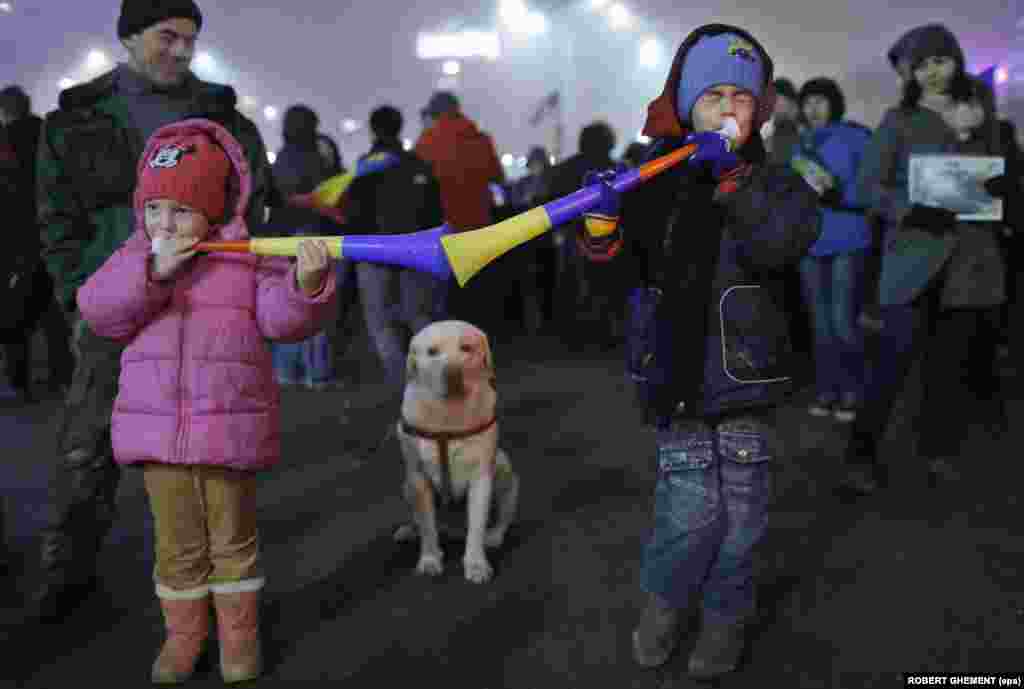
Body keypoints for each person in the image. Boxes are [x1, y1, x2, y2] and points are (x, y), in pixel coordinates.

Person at [577, 24, 820, 677]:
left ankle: (725, 619)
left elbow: (783, 240)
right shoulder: (652, 178)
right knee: (688, 514)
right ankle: (664, 602)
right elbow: (616, 282)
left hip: (750, 379)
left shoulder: (776, 182)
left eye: (740, 98)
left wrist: (737, 184)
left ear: (759, 110)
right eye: (711, 95)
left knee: (741, 521)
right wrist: (601, 232)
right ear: (685, 105)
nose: (726, 109)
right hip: (676, 375)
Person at [33, 0, 276, 623]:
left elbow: (257, 202)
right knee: (85, 448)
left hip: (202, 311)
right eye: (168, 37)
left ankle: (216, 594)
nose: (182, 51)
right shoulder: (76, 121)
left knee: (211, 453)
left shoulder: (221, 116)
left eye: (190, 40)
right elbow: (55, 220)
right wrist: (79, 295)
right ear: (129, 38)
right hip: (113, 305)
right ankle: (67, 575)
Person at [76, 119, 336, 683]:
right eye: (153, 210)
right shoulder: (135, 255)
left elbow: (281, 319)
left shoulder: (245, 254)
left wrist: (306, 285)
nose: (163, 224)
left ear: (214, 209)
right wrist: (152, 272)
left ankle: (239, 638)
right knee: (176, 546)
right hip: (157, 432)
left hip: (228, 427)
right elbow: (98, 309)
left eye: (181, 211)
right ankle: (185, 637)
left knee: (233, 542)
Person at [837, 25, 1014, 496]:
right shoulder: (899, 120)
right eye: (921, 65)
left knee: (949, 367)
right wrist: (910, 208)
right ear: (910, 73)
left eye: (940, 60)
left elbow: (995, 176)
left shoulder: (983, 115)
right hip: (914, 258)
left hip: (970, 261)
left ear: (955, 60)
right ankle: (861, 452)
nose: (932, 72)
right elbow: (866, 188)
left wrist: (987, 162)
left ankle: (936, 452)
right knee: (890, 365)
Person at [340, 105, 444, 391]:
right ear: (400, 127)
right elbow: (435, 212)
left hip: (374, 252)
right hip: (415, 251)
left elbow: (354, 213)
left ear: (373, 129)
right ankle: (433, 380)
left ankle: (403, 385)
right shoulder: (417, 164)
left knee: (380, 322)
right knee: (419, 315)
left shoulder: (366, 165)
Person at [793, 78, 873, 421]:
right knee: (820, 323)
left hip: (848, 236)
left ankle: (853, 391)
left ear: (834, 103)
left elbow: (871, 185)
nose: (813, 108)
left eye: (820, 101)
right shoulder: (800, 145)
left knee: (842, 321)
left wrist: (842, 196)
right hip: (810, 242)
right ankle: (827, 390)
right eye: (808, 102)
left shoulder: (856, 137)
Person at [0, 85, 73, 404]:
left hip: (17, 238)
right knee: (52, 310)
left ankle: (18, 381)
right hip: (52, 233)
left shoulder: (8, 139)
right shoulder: (46, 134)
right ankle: (62, 375)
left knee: (15, 310)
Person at [414, 91, 504, 320]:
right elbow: (497, 175)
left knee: (442, 297)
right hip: (478, 225)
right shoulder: (481, 139)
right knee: (474, 293)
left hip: (443, 227)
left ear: (435, 113)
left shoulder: (427, 140)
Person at [270, 104, 337, 389]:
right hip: (315, 235)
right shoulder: (318, 154)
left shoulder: (282, 157)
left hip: (283, 238)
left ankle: (286, 371)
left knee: (289, 303)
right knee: (315, 304)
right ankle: (317, 374)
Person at [544, 121, 625, 347]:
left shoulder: (567, 168)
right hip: (608, 233)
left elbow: (552, 200)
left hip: (574, 233)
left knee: (573, 283)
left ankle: (572, 334)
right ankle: (604, 332)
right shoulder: (617, 168)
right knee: (605, 284)